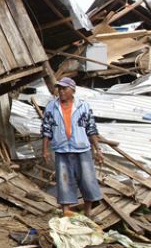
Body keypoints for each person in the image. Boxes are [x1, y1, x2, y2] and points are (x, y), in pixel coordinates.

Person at [41, 77, 104, 217]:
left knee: (88, 180)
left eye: (64, 88)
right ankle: (66, 214)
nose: (61, 91)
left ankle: (88, 213)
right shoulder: (51, 107)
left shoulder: (83, 106)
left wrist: (98, 149)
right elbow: (46, 130)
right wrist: (45, 150)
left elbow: (91, 129)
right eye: (59, 88)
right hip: (61, 150)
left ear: (72, 90)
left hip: (82, 149)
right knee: (64, 182)